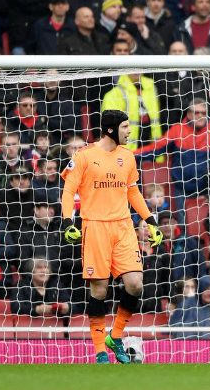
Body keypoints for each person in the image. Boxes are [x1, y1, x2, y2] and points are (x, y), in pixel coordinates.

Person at [60, 110, 165, 364]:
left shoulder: (127, 157)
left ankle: (115, 336)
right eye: (126, 127)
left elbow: (133, 192)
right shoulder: (84, 156)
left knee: (135, 284)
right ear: (110, 129)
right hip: (94, 226)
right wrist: (67, 222)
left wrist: (151, 222)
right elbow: (68, 190)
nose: (130, 131)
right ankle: (99, 351)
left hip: (123, 227)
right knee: (99, 289)